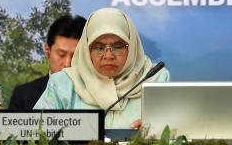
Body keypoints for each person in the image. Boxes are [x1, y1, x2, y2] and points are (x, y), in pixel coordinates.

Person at [33, 7, 169, 129]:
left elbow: (174, 131)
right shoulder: (64, 83)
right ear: (87, 49)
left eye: (118, 47)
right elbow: (34, 134)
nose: (108, 55)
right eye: (99, 47)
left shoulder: (155, 78)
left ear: (132, 46)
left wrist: (158, 128)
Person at [9, 14, 86, 110]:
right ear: (47, 51)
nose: (67, 64)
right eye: (61, 54)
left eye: (75, 56)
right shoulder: (24, 95)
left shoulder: (97, 95)